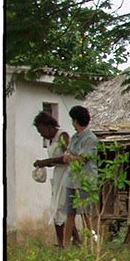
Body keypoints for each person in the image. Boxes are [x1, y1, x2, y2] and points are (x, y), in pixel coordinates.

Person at [32, 111, 72, 247]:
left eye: (41, 130)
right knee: (58, 208)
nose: (41, 134)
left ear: (48, 126)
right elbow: (55, 161)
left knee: (60, 208)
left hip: (67, 175)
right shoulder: (50, 140)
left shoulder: (62, 136)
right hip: (58, 175)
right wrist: (43, 163)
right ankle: (70, 242)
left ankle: (63, 244)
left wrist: (47, 161)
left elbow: (68, 158)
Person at [61, 105, 99, 245]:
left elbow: (83, 158)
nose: (72, 123)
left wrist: (71, 158)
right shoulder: (74, 137)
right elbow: (70, 154)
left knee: (85, 213)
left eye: (73, 120)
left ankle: (93, 242)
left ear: (76, 121)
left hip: (85, 179)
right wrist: (70, 157)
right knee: (69, 212)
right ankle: (66, 245)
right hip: (72, 179)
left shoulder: (90, 138)